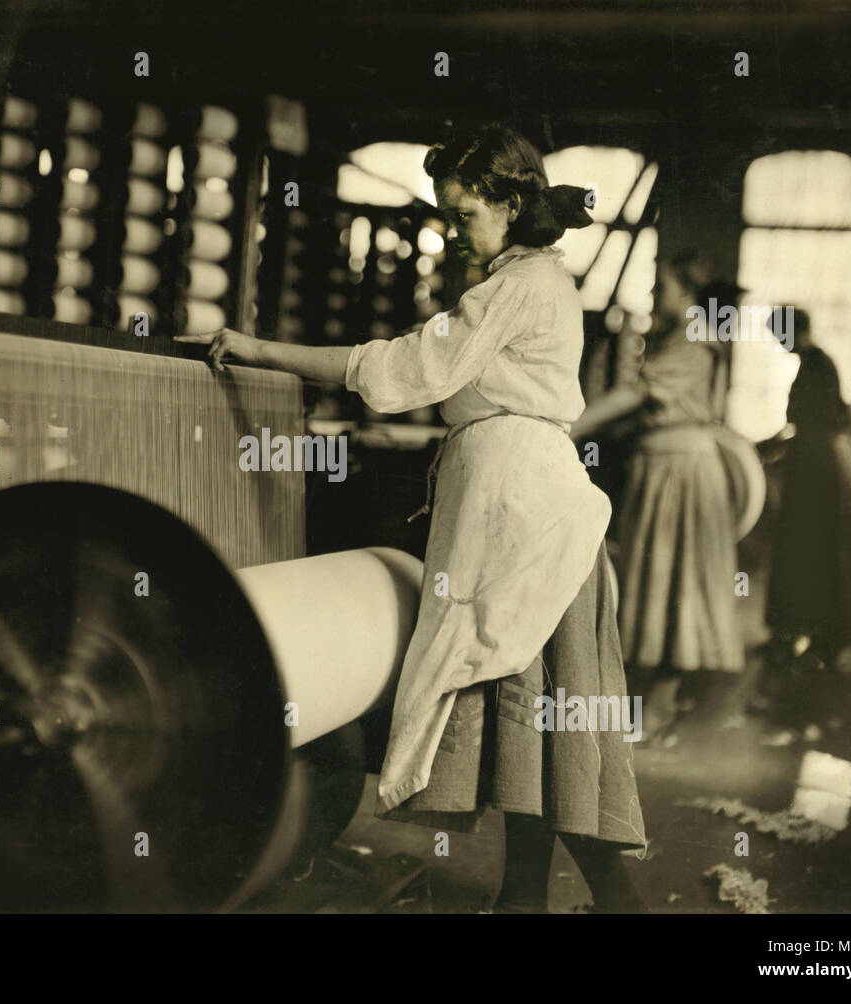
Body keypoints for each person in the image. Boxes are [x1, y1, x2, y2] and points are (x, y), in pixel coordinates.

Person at [178, 122, 646, 914]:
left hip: (522, 522)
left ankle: (612, 904)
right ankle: (524, 896)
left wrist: (261, 352)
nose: (455, 231)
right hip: (524, 511)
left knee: (546, 727)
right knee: (530, 731)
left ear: (506, 201)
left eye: (464, 214)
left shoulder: (518, 287)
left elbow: (401, 370)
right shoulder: (534, 279)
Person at [570, 255, 747, 741]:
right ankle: (653, 707)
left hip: (682, 472)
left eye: (661, 288)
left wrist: (567, 427)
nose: (653, 298)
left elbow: (633, 396)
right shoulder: (679, 338)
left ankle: (661, 710)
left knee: (674, 587)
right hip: (663, 468)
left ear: (687, 293)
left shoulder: (694, 341)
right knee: (656, 584)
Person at [764, 307, 851, 672]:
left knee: (816, 545)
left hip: (821, 466)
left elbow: (809, 423)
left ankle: (822, 635)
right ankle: (805, 628)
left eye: (780, 335)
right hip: (814, 461)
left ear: (794, 331)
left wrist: (769, 447)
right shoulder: (811, 362)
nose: (778, 343)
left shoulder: (817, 364)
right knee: (807, 546)